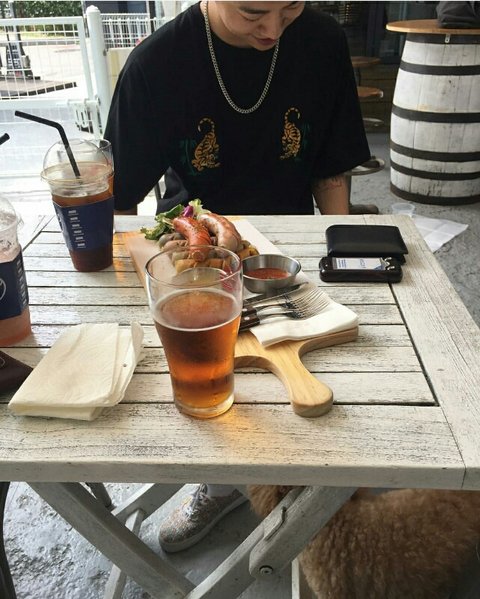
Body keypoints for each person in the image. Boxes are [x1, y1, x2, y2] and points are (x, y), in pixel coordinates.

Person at [105, 1, 371, 553]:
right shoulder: (156, 63)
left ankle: (311, 480)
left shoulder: (322, 41)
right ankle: (223, 481)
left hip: (287, 260)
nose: (273, 30)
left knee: (325, 370)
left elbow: (330, 169)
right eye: (253, 12)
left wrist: (341, 257)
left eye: (290, 7)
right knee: (212, 387)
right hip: (191, 262)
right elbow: (120, 202)